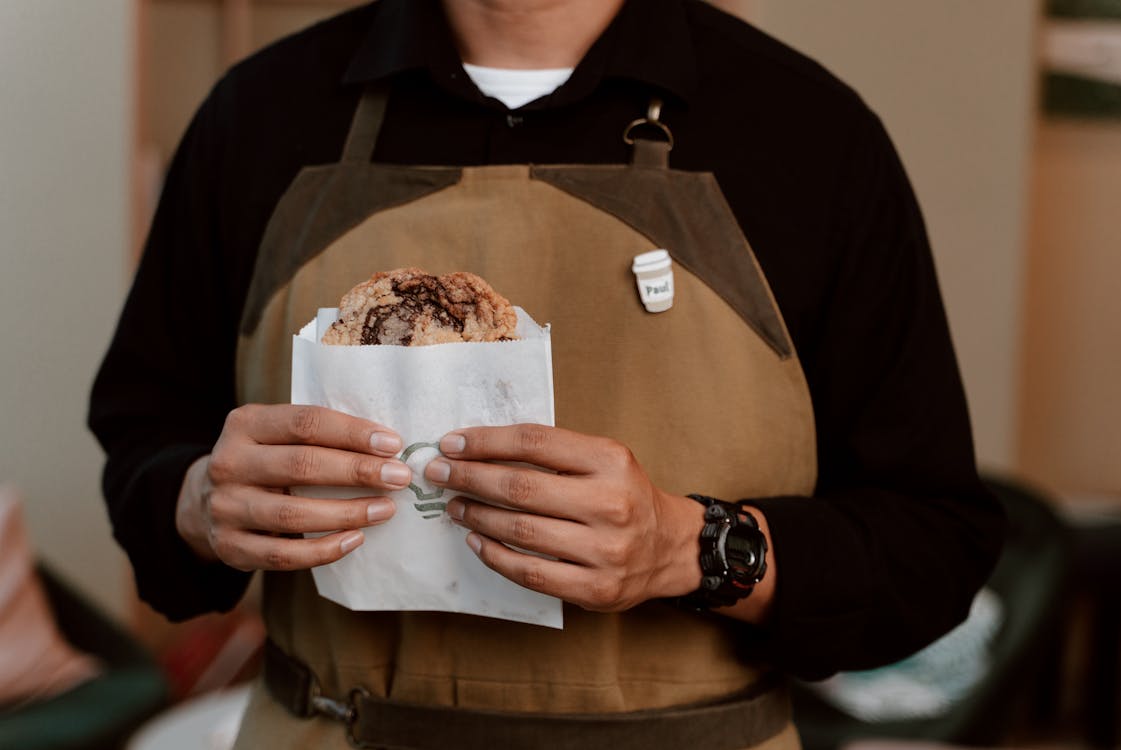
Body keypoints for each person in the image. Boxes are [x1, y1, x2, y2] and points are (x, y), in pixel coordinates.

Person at [88, 0, 1005, 748]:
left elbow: (933, 544)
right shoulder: (259, 114)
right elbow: (143, 440)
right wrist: (199, 501)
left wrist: (685, 547)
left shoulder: (811, 135)